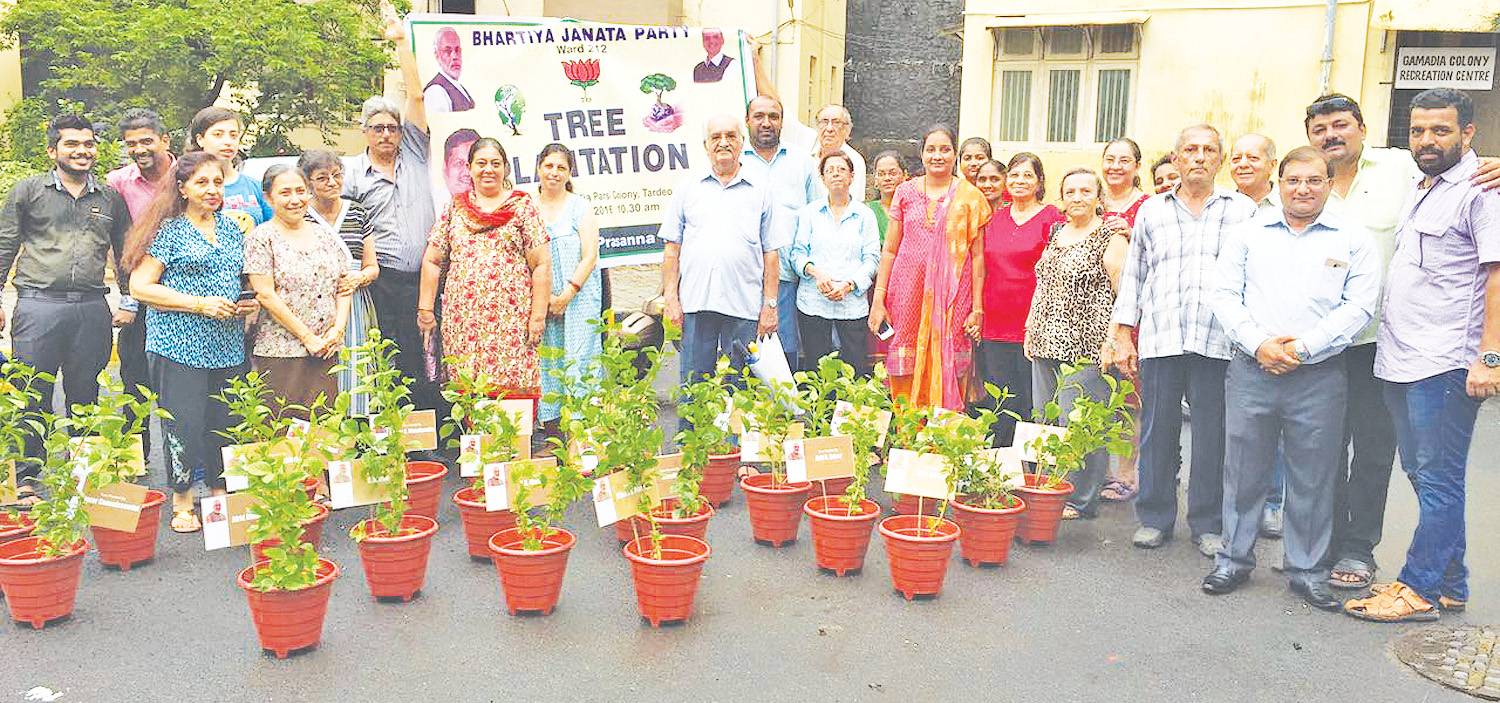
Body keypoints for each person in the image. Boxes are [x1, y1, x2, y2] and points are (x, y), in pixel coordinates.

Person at [1343, 89, 1500, 623]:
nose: (1428, 141)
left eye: (1441, 130)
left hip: (1447, 362)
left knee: (1437, 478)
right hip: (1402, 358)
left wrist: (1491, 357)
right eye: (1418, 131)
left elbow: (1496, 276)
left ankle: (1419, 587)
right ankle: (1451, 581)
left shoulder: (1482, 190)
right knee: (1423, 472)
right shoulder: (1420, 182)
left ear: (1468, 134)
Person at [1206, 146, 1379, 610]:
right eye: (1293, 180)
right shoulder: (1248, 234)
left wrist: (1302, 349)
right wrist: (1260, 344)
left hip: (1318, 376)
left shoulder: (1353, 238)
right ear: (1279, 183)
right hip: (1251, 369)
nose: (1303, 189)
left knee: (1313, 475)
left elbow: (1360, 307)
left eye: (1314, 181)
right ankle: (1233, 560)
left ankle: (1307, 569)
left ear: (1328, 183)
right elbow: (1222, 294)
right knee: (1242, 470)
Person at [1104, 124, 1256, 555]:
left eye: (1209, 150)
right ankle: (1154, 517)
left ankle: (1207, 523)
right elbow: (1135, 275)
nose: (1199, 157)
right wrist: (1123, 334)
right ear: (1175, 156)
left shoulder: (1242, 211)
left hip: (1218, 340)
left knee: (1211, 434)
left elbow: (1254, 275)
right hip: (1161, 337)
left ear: (1220, 159)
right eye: (1190, 149)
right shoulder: (1152, 210)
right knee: (1157, 431)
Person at [123, 152, 258, 533]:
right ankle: (182, 500)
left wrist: (243, 305)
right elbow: (140, 286)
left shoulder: (233, 229)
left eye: (217, 182)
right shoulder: (169, 231)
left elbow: (240, 282)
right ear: (181, 188)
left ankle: (219, 495)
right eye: (201, 182)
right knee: (183, 422)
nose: (212, 189)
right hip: (178, 344)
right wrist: (199, 304)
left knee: (225, 422)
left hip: (227, 344)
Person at [0, 114, 132, 504]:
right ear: (52, 150)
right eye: (72, 144)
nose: (82, 151)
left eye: (88, 144)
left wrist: (129, 300)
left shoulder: (110, 198)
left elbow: (124, 252)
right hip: (39, 306)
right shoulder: (27, 192)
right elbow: (5, 245)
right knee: (31, 392)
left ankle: (84, 474)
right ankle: (26, 478)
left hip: (92, 307)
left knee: (85, 392)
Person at [1024, 168, 1130, 519]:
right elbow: (1042, 284)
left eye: (1086, 190)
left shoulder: (1110, 238)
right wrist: (1029, 327)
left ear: (1098, 197)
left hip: (1086, 345)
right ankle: (1052, 489)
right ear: (1062, 197)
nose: (1078, 197)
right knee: (1046, 419)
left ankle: (1081, 498)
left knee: (1080, 422)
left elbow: (1125, 293)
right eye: (1070, 191)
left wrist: (1115, 338)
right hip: (1044, 341)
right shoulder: (1057, 232)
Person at [349, 9, 439, 415]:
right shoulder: (351, 173)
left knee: (429, 355)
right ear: (365, 130)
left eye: (392, 127)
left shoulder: (417, 154)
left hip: (426, 276)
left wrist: (401, 41)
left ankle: (430, 434)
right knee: (388, 356)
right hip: (380, 282)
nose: (387, 134)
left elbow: (417, 97)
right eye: (378, 127)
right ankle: (393, 432)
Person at [867, 124, 991, 411]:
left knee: (948, 364)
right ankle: (907, 444)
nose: (938, 155)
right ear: (921, 154)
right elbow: (890, 250)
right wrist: (879, 299)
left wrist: (977, 308)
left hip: (953, 300)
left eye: (945, 149)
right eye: (931, 149)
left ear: (954, 155)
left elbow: (977, 258)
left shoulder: (971, 198)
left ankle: (943, 444)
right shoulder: (905, 192)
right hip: (907, 294)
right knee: (905, 366)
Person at [418, 138, 550, 394]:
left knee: (511, 395)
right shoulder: (455, 208)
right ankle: (473, 435)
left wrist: (537, 317)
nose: (488, 169)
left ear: (505, 169)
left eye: (495, 163)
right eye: (481, 163)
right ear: (469, 168)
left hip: (513, 322)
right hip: (464, 322)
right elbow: (432, 260)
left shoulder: (522, 207)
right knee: (468, 391)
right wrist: (425, 309)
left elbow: (541, 264)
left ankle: (512, 436)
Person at [661, 114, 781, 383]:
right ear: (706, 145)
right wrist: (671, 299)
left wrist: (770, 305)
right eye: (716, 137)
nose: (723, 142)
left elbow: (771, 254)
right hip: (696, 302)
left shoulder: (761, 191)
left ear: (741, 143)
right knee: (694, 387)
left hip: (744, 306)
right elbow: (672, 250)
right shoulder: (687, 189)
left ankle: (733, 428)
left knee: (738, 391)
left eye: (730, 136)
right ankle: (690, 429)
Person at [244, 165, 352, 415]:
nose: (295, 200)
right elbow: (266, 295)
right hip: (282, 351)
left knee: (325, 432)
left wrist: (337, 330)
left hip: (326, 349)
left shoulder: (324, 235)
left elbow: (344, 284)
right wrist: (307, 337)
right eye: (285, 193)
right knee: (283, 432)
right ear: (268, 198)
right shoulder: (262, 238)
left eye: (301, 191)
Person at [108, 108, 175, 461]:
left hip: (186, 298)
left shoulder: (191, 175)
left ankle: (188, 464)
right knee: (133, 382)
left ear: (165, 140)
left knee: (181, 385)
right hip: (140, 296)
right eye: (131, 144)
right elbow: (116, 242)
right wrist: (127, 297)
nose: (139, 149)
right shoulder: (117, 183)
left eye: (146, 140)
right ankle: (134, 461)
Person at [980, 153, 1061, 446]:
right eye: (1014, 175)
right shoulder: (994, 218)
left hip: (1033, 325)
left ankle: (1032, 471)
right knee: (1000, 397)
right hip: (995, 322)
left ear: (1039, 182)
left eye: (1028, 175)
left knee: (1032, 400)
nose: (1020, 181)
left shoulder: (1052, 218)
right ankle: (1001, 466)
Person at [299, 149, 379, 416]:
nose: (332, 183)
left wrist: (360, 277)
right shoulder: (301, 216)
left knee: (357, 366)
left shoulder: (357, 212)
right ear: (308, 183)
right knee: (321, 370)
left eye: (336, 175)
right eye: (322, 178)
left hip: (355, 301)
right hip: (315, 304)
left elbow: (372, 266)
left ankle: (360, 430)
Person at [740, 94, 817, 370]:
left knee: (783, 355)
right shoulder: (735, 162)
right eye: (759, 116)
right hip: (743, 279)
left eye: (773, 117)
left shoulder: (801, 161)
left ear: (782, 123)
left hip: (787, 278)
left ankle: (784, 414)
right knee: (741, 354)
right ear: (747, 121)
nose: (766, 123)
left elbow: (814, 216)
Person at [788, 152, 880, 375]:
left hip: (851, 303)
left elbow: (872, 259)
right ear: (822, 179)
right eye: (829, 170)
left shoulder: (865, 215)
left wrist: (848, 285)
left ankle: (849, 411)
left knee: (854, 368)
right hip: (813, 302)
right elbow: (797, 254)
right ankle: (819, 410)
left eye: (841, 169)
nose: (836, 174)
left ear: (852, 176)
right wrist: (816, 273)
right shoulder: (809, 213)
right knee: (816, 367)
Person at [533, 144, 602, 434]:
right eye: (549, 166)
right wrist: (543, 299)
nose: (554, 173)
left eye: (561, 167)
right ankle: (552, 437)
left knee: (579, 361)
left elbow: (590, 255)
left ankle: (582, 440)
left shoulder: (580, 206)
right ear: (539, 168)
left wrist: (567, 295)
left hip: (578, 299)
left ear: (569, 172)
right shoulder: (527, 206)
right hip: (540, 302)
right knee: (546, 364)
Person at [184, 107, 270, 229]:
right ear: (200, 139)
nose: (228, 142)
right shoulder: (185, 186)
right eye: (218, 135)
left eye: (233, 135)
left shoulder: (256, 187)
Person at [1100, 138, 1151, 225]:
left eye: (1124, 161)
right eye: (1109, 160)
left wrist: (1131, 234)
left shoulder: (1149, 206)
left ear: (1137, 167)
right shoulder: (1090, 200)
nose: (1115, 167)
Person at [424, 27, 474, 113]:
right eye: (448, 51)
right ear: (437, 55)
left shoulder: (456, 84)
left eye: (457, 50)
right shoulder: (436, 91)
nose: (455, 56)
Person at [1230, 134, 1278, 211]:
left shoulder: (1289, 204)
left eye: (1253, 158)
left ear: (1272, 165)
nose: (1243, 164)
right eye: (1236, 158)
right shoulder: (1222, 207)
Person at [867, 150, 906, 243]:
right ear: (875, 180)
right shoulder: (867, 211)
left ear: (905, 175)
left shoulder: (913, 210)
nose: (887, 178)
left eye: (893, 173)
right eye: (881, 174)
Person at [442, 128, 480, 197]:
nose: (467, 172)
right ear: (445, 169)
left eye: (472, 162)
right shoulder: (429, 204)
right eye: (459, 163)